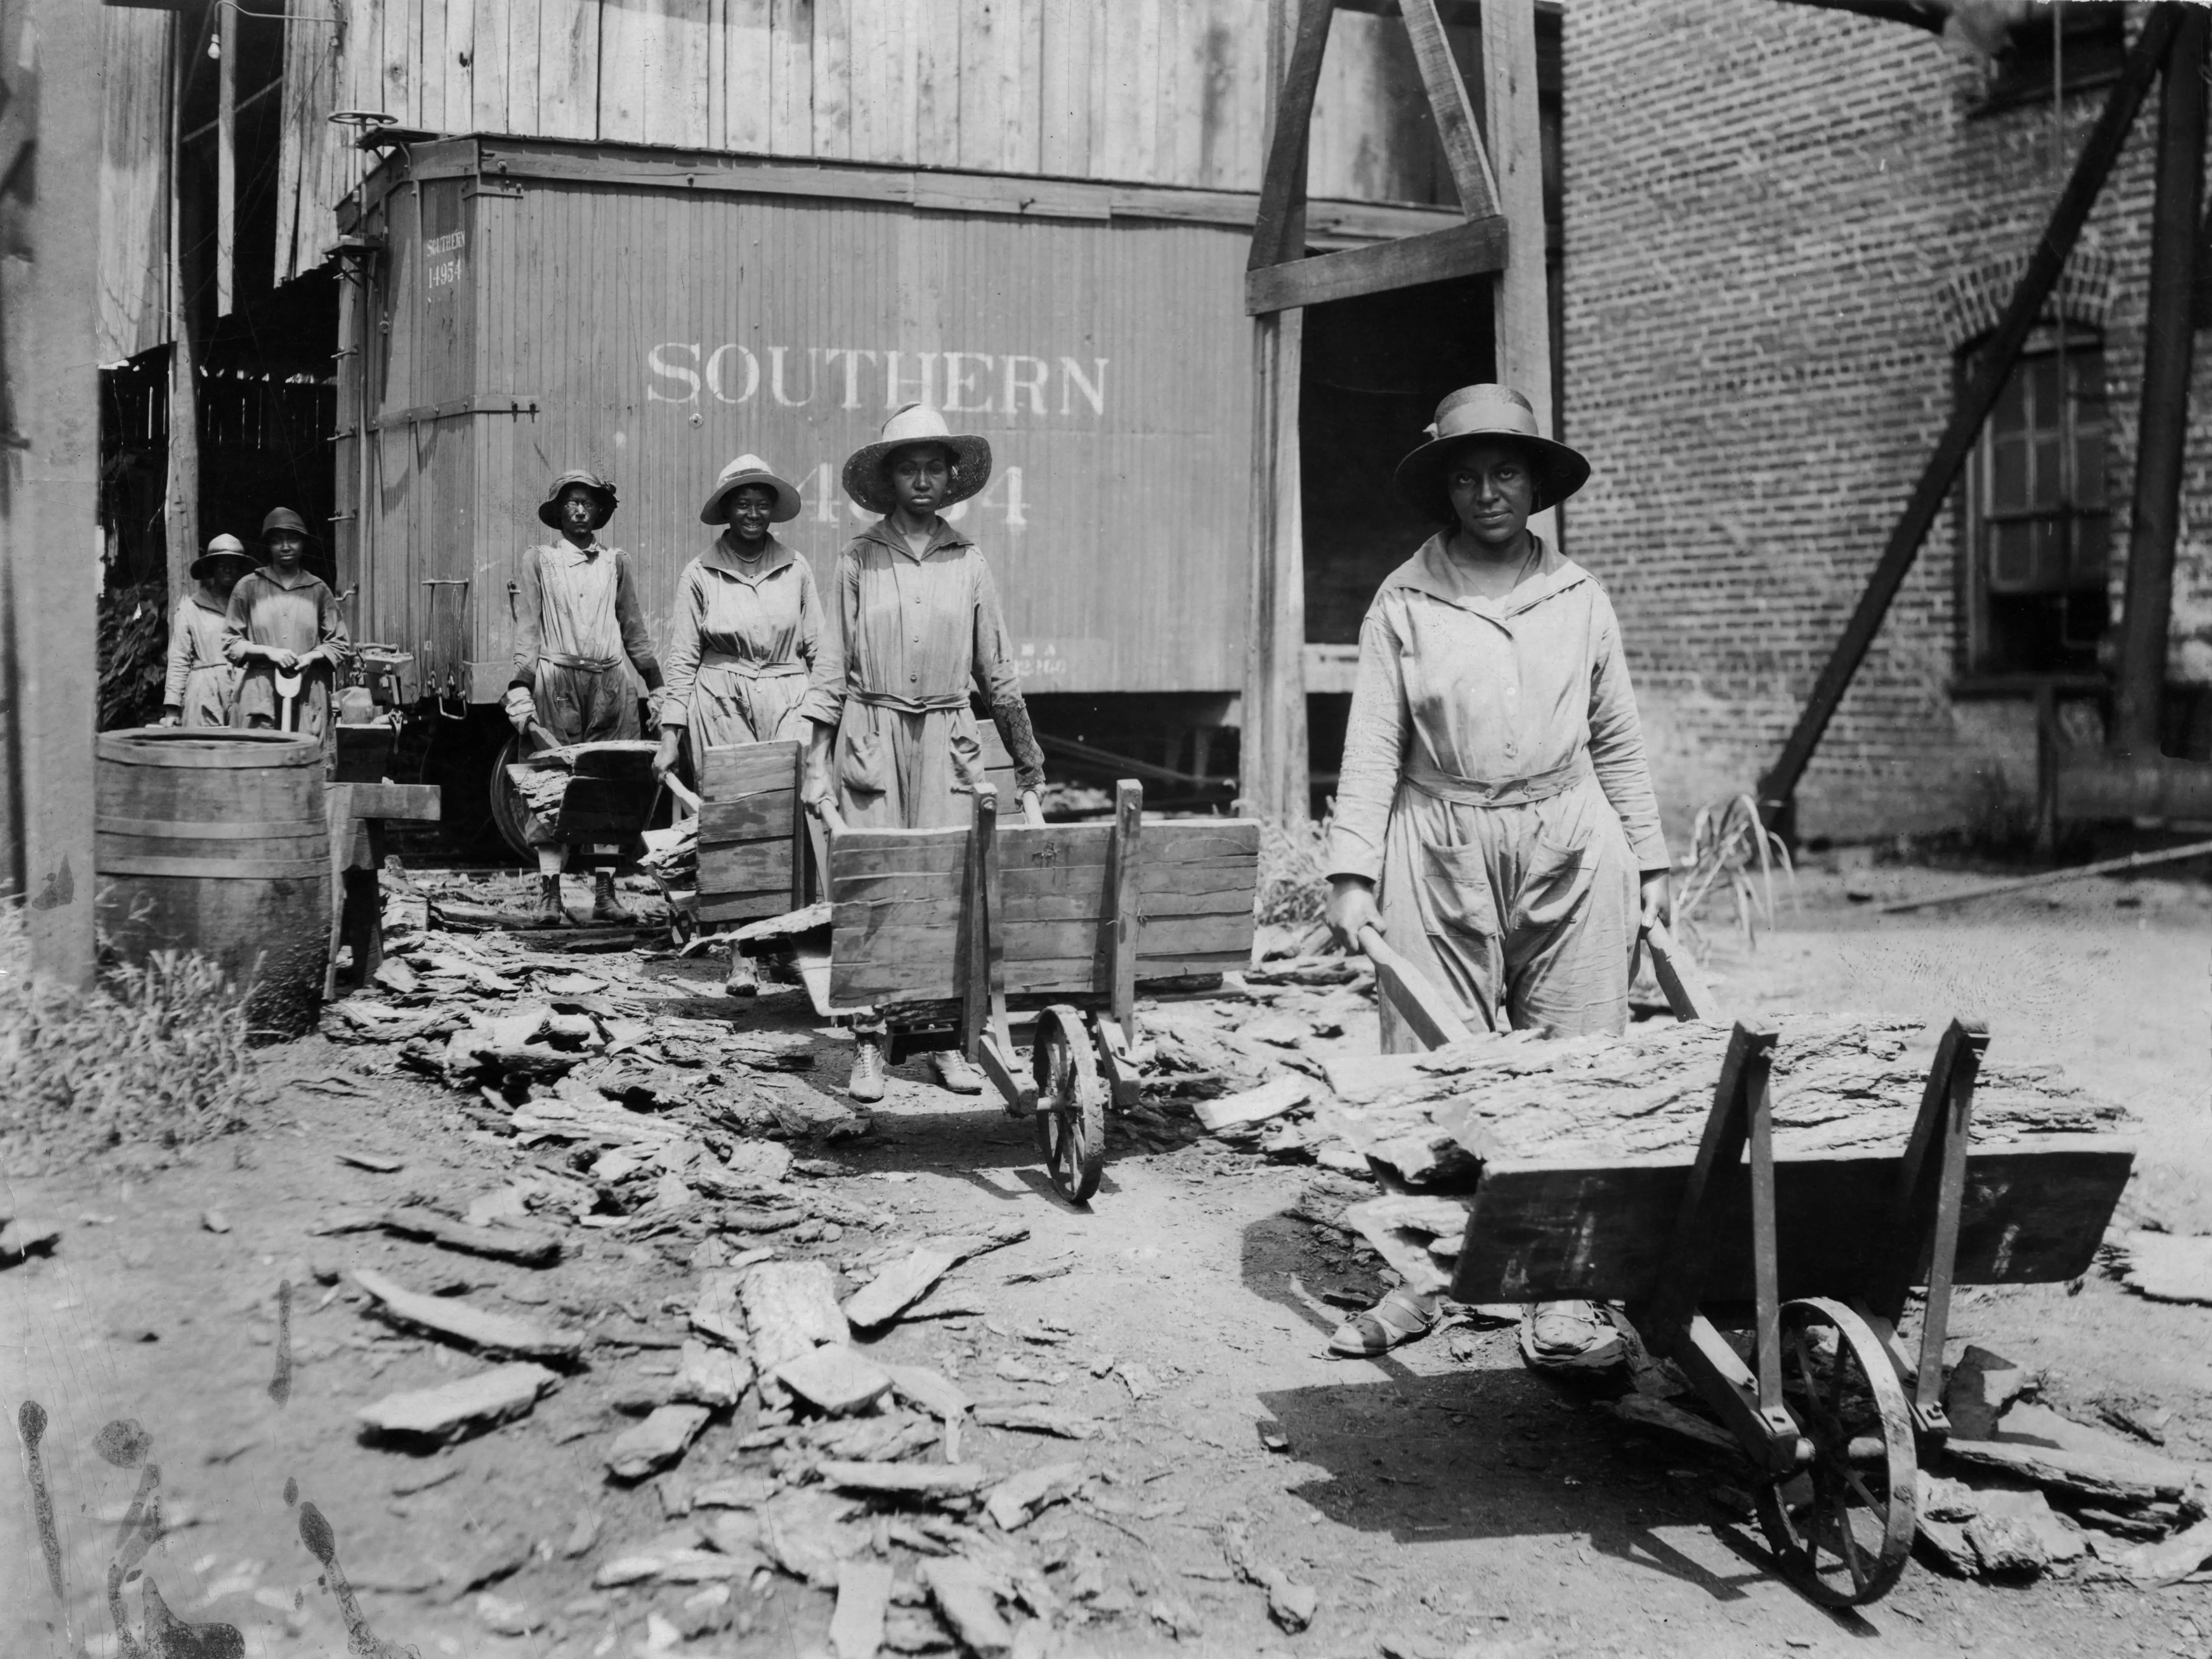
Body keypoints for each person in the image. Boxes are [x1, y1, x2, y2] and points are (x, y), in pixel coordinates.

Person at [1321, 383, 1671, 1371]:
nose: (1488, 492)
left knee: (1578, 1058)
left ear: (1534, 483)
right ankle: (1425, 1275)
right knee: (1431, 1062)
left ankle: (1567, 1286)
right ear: (1442, 485)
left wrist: (1649, 862)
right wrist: (1350, 871)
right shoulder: (1404, 600)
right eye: (1467, 476)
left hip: (1570, 836)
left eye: (1505, 472)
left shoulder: (1580, 596)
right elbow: (1372, 745)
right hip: (1436, 839)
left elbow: (1617, 741)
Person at [801, 404, 1048, 1104]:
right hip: (872, 735)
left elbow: (997, 672)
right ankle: (872, 1044)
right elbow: (832, 667)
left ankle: (947, 1045)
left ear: (950, 478)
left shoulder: (968, 560)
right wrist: (815, 760)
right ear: (888, 479)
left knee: (950, 890)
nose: (922, 479)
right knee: (876, 889)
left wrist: (1027, 757)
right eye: (907, 467)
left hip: (949, 740)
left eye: (933, 467)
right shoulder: (857, 559)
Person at [654, 454, 829, 993]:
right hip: (720, 699)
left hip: (787, 695)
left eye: (762, 503)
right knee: (736, 820)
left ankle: (789, 944)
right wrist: (669, 736)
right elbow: (682, 658)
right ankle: (740, 951)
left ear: (773, 510)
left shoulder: (795, 566)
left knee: (795, 818)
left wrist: (827, 720)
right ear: (727, 509)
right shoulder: (700, 572)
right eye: (742, 503)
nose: (753, 513)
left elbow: (820, 648)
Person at [505, 468, 666, 927]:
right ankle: (551, 896)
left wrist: (657, 689)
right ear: (558, 513)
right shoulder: (539, 560)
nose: (579, 509)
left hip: (612, 686)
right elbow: (528, 628)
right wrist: (520, 686)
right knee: (550, 786)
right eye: (570, 502)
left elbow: (635, 631)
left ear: (600, 511)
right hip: (556, 683)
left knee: (611, 790)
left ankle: (605, 893)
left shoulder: (617, 563)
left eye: (588, 502)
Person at [225, 508, 349, 752]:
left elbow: (340, 642)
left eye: (292, 539)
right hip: (260, 691)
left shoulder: (318, 590)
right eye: (277, 540)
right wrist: (268, 652)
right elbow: (230, 642)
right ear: (268, 546)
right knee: (256, 763)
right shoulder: (248, 587)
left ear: (303, 544)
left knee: (309, 764)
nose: (285, 546)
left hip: (307, 690)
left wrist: (311, 656)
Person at [159, 533, 252, 728]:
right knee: (203, 751)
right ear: (211, 568)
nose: (228, 569)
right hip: (203, 690)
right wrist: (172, 708)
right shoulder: (192, 607)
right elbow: (180, 658)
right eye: (221, 564)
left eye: (234, 564)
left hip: (245, 688)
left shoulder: (251, 606)